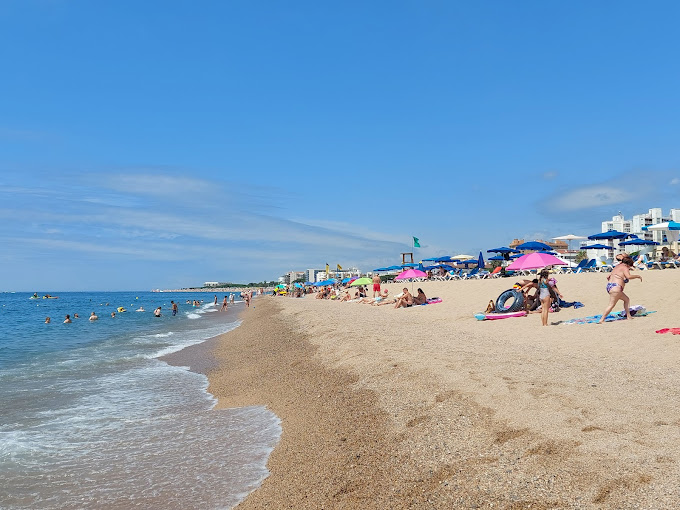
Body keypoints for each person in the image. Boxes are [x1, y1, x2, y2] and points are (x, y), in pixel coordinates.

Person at [598, 255, 642, 324]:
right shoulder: (625, 268)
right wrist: (637, 276)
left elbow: (608, 277)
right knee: (611, 305)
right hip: (616, 288)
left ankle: (628, 316)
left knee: (626, 299)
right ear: (628, 264)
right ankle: (602, 320)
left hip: (610, 286)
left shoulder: (617, 267)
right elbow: (628, 276)